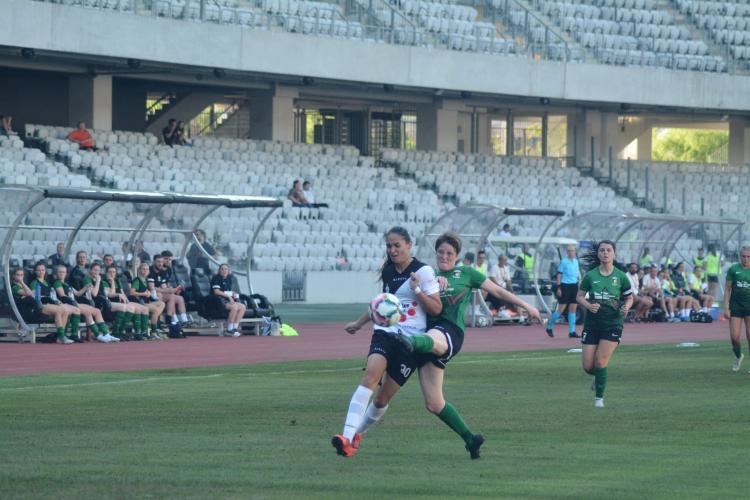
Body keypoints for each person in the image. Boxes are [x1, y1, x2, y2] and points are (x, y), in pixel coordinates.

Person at [390, 232, 542, 459]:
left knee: (430, 338)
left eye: (449, 253)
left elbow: (498, 291)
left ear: (457, 255)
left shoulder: (466, 273)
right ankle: (471, 439)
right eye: (440, 252)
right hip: (427, 340)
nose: (444, 256)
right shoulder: (426, 273)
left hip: (449, 332)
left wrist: (527, 306)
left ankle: (409, 342)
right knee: (434, 403)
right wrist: (422, 285)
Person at [331, 227, 442, 458]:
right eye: (389, 246)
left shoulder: (424, 271)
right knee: (370, 376)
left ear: (409, 245)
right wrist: (359, 323)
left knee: (382, 399)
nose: (392, 250)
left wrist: (417, 290)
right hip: (385, 333)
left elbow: (436, 308)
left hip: (411, 342)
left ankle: (356, 436)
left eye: (397, 245)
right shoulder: (389, 271)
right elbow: (382, 304)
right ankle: (346, 435)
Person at [576, 240, 633, 408]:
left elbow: (629, 297)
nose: (605, 253)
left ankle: (599, 399)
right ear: (598, 254)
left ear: (614, 254)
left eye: (609, 250)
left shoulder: (621, 277)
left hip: (613, 324)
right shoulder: (591, 276)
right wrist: (588, 305)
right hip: (592, 324)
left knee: (600, 362)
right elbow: (579, 296)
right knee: (588, 366)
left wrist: (626, 308)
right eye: (602, 250)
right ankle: (598, 376)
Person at [53, 264, 113, 342]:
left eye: (63, 272)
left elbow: (77, 293)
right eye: (60, 272)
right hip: (67, 304)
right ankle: (97, 335)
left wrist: (85, 287)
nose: (62, 274)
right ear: (56, 273)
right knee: (87, 312)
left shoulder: (67, 284)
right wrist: (74, 302)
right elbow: (63, 296)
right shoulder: (57, 283)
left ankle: (106, 334)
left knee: (97, 311)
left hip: (74, 302)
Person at [26, 262, 74, 344]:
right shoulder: (35, 283)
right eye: (38, 270)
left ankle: (61, 336)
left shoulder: (47, 283)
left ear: (45, 271)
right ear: (35, 271)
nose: (41, 272)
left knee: (65, 311)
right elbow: (34, 297)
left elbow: (52, 295)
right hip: (40, 305)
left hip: (50, 304)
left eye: (42, 270)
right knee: (59, 311)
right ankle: (61, 336)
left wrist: (56, 301)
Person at [102, 265, 150, 341]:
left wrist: (127, 301)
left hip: (121, 301)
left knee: (144, 309)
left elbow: (122, 293)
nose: (112, 274)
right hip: (110, 302)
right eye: (110, 272)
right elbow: (109, 294)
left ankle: (140, 332)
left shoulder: (117, 280)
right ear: (106, 273)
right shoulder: (104, 281)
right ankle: (117, 332)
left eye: (114, 272)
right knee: (131, 308)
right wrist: (112, 283)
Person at [723, 247, 750, 372]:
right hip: (736, 307)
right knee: (735, 337)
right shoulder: (734, 269)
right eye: (743, 256)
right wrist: (726, 307)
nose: (746, 259)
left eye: (748, 256)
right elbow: (727, 289)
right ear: (740, 256)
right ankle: (738, 356)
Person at [81, 263, 121, 343]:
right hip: (91, 302)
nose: (97, 272)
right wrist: (98, 281)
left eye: (98, 270)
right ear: (90, 270)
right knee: (97, 311)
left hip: (99, 302)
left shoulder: (98, 280)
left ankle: (106, 334)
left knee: (100, 310)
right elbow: (94, 294)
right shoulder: (87, 279)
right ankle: (99, 335)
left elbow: (107, 293)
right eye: (95, 270)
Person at [546, 244, 580, 338]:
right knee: (561, 309)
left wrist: (579, 284)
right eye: (569, 251)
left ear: (575, 252)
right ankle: (549, 326)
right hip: (565, 285)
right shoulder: (564, 262)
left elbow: (577, 275)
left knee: (573, 309)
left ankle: (572, 332)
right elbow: (559, 274)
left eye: (572, 251)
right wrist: (559, 287)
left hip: (574, 285)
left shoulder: (576, 261)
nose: (571, 252)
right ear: (567, 252)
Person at [129, 261, 167, 339]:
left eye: (147, 269)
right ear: (139, 270)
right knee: (156, 310)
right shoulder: (137, 280)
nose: (145, 271)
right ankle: (153, 331)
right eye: (143, 269)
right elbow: (132, 292)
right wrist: (143, 294)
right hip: (139, 303)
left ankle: (152, 320)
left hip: (146, 301)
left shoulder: (145, 280)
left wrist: (149, 293)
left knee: (162, 303)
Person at [150, 254, 189, 327]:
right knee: (162, 294)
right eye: (158, 262)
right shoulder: (150, 271)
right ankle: (166, 320)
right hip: (152, 293)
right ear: (154, 262)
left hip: (160, 292)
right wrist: (168, 290)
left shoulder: (162, 272)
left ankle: (184, 320)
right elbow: (152, 288)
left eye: (161, 262)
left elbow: (163, 286)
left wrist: (172, 290)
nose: (160, 264)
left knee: (179, 298)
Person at [210, 264, 247, 337]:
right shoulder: (216, 278)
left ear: (228, 271)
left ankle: (234, 328)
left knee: (242, 307)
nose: (224, 271)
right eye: (222, 269)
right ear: (219, 270)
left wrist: (233, 294)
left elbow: (227, 291)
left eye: (226, 269)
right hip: (218, 301)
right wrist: (228, 297)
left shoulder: (228, 279)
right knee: (234, 307)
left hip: (227, 301)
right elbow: (216, 291)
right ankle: (229, 329)